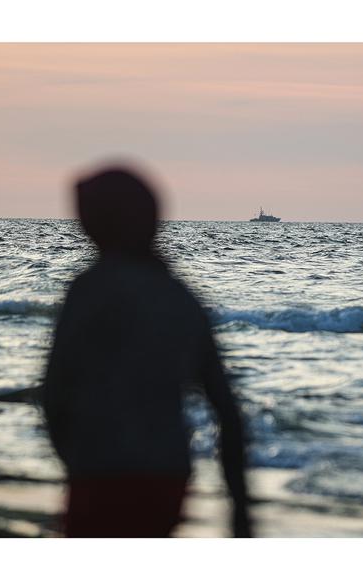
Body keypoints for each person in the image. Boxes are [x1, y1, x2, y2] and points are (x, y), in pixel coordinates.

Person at [42, 167, 251, 537]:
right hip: (166, 474)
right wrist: (240, 510)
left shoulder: (89, 290)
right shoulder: (181, 297)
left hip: (98, 470)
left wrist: (73, 460)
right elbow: (226, 409)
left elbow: (54, 392)